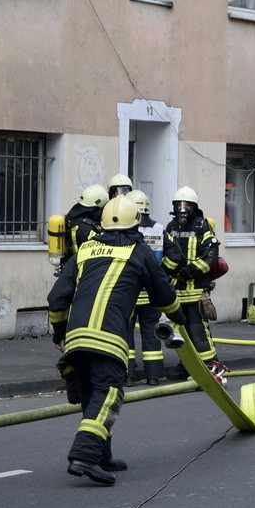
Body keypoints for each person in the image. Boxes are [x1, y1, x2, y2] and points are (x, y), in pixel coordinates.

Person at [48, 195, 185, 486]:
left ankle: (101, 455)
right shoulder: (139, 251)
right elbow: (162, 293)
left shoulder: (84, 250)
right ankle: (84, 455)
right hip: (108, 338)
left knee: (91, 397)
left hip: (76, 337)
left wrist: (59, 333)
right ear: (136, 224)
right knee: (108, 394)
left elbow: (57, 299)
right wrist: (179, 317)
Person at [162, 186, 228, 383]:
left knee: (197, 330)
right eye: (179, 205)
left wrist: (192, 270)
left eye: (187, 205)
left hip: (196, 289)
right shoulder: (170, 227)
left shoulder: (202, 226)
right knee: (180, 333)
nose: (183, 209)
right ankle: (187, 366)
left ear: (194, 207)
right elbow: (165, 253)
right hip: (177, 289)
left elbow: (211, 255)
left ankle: (210, 366)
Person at [125, 190, 166, 386]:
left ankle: (129, 375)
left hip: (130, 292)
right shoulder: (159, 229)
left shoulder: (126, 231)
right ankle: (153, 376)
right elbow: (174, 256)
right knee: (151, 332)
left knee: (126, 332)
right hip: (152, 293)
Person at [62, 184, 108, 265]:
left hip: (70, 265)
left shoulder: (73, 216)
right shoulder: (86, 229)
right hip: (82, 268)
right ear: (98, 208)